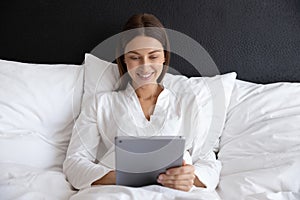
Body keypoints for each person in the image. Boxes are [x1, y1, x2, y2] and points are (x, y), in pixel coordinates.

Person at [63, 13, 221, 192]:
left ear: (164, 57)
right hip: (118, 192)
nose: (144, 66)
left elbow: (210, 163)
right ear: (124, 58)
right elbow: (74, 162)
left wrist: (191, 177)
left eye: (153, 57)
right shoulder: (101, 104)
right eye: (135, 57)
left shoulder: (189, 104)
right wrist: (118, 177)